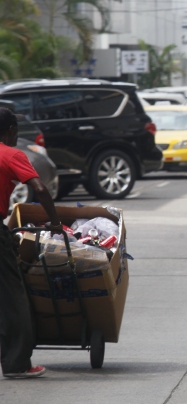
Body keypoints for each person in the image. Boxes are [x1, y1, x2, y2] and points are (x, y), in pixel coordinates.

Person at [0, 108, 60, 379]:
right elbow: (40, 189)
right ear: (12, 130)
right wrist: (56, 222)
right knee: (12, 298)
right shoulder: (12, 154)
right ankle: (17, 364)